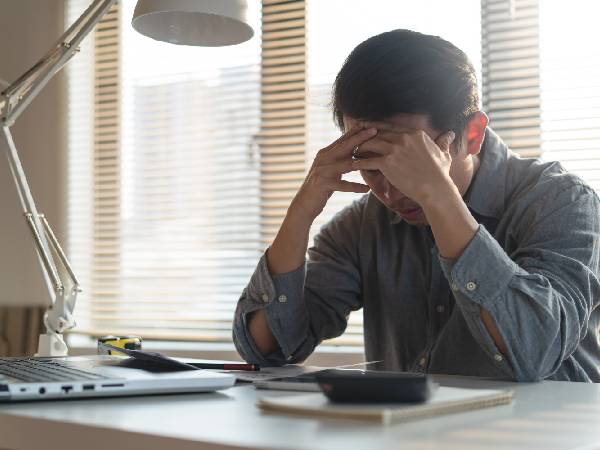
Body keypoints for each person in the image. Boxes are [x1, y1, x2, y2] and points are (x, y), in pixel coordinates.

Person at [232, 29, 600, 382]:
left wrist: (438, 197)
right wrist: (302, 210)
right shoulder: (361, 227)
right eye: (373, 166)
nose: (391, 193)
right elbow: (268, 350)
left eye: (410, 163)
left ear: (471, 134)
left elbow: (536, 349)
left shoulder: (560, 201)